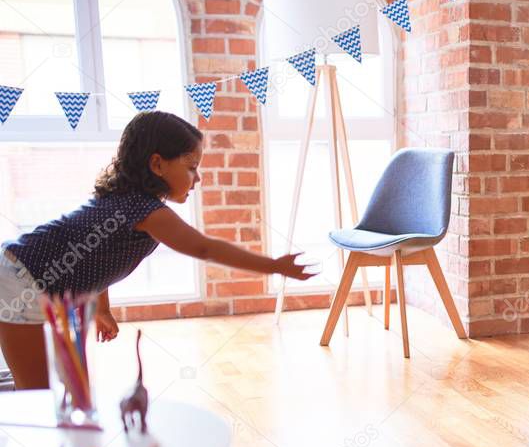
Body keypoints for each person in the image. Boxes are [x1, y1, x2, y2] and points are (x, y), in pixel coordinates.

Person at [0, 111, 314, 389]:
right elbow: (204, 248)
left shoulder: (125, 200)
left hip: (26, 277)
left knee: (65, 389)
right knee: (38, 396)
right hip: (21, 283)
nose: (198, 178)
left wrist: (103, 308)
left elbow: (96, 260)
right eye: (192, 167)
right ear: (157, 163)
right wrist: (273, 266)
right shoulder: (144, 210)